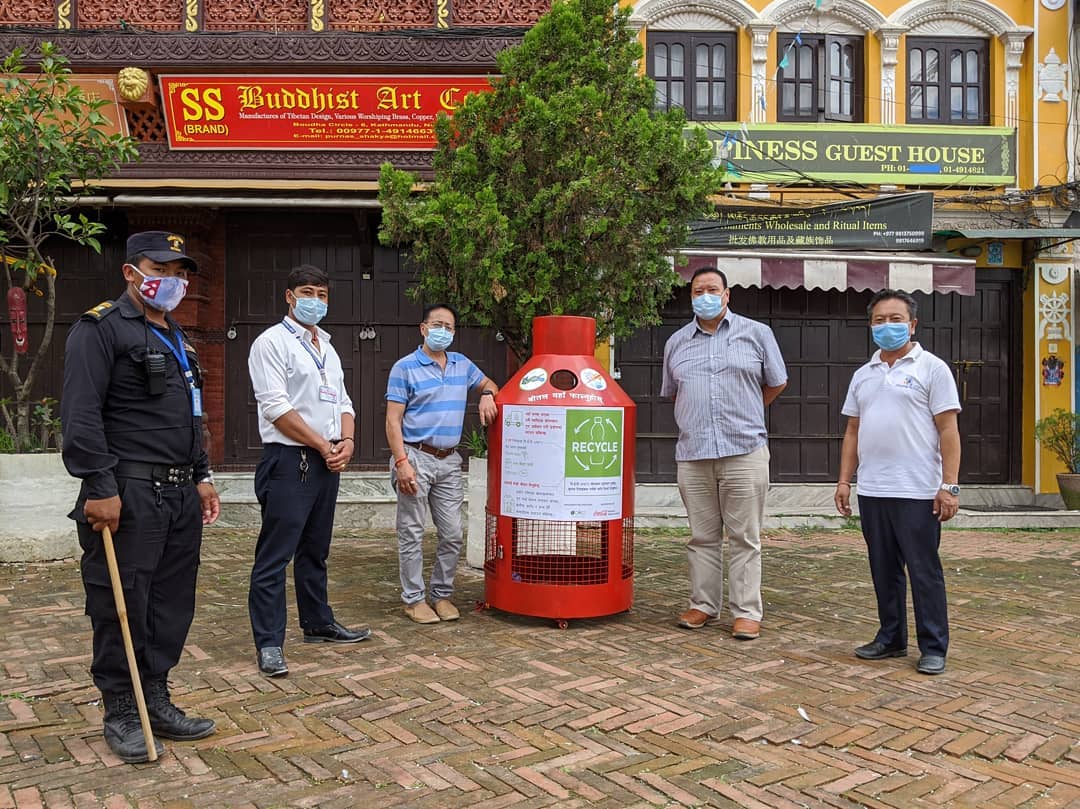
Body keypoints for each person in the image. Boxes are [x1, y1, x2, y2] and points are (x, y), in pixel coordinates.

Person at [62, 230, 220, 763]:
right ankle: (121, 710)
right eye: (164, 268)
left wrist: (202, 474)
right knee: (121, 602)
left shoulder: (177, 336)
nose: (174, 280)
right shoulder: (101, 329)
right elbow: (81, 416)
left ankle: (156, 697)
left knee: (171, 602)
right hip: (128, 491)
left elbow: (190, 414)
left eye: (181, 272)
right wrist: (99, 486)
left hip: (179, 492)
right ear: (132, 271)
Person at [247, 264, 370, 678]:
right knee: (274, 557)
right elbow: (276, 407)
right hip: (289, 462)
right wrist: (321, 444)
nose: (314, 301)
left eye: (321, 293)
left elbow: (345, 403)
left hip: (327, 461)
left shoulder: (327, 347)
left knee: (315, 550)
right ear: (289, 296)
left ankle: (318, 623)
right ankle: (268, 643)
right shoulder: (272, 343)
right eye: (306, 292)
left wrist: (347, 443)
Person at [835, 289, 960, 676]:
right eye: (879, 320)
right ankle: (890, 637)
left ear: (912, 324)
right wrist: (845, 481)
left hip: (918, 490)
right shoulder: (863, 375)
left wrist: (949, 485)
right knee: (883, 568)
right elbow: (853, 431)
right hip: (874, 490)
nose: (887, 327)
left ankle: (933, 646)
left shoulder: (932, 369)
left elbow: (949, 430)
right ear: (870, 325)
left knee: (924, 571)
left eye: (895, 319)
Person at [661, 268, 787, 640]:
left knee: (744, 536)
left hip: (744, 450)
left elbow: (777, 382)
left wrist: (746, 409)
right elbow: (673, 392)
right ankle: (703, 605)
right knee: (702, 536)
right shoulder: (677, 342)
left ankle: (747, 611)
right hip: (694, 452)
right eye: (698, 290)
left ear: (727, 294)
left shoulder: (757, 334)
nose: (705, 296)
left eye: (712, 289)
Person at [385, 304, 498, 624]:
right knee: (412, 532)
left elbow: (490, 383)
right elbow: (393, 422)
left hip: (449, 462)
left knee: (452, 534)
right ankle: (414, 599)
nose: (443, 332)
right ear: (423, 328)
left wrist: (488, 393)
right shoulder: (404, 368)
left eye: (449, 327)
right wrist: (402, 462)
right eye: (438, 325)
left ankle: (441, 595)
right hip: (415, 456)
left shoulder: (462, 365)